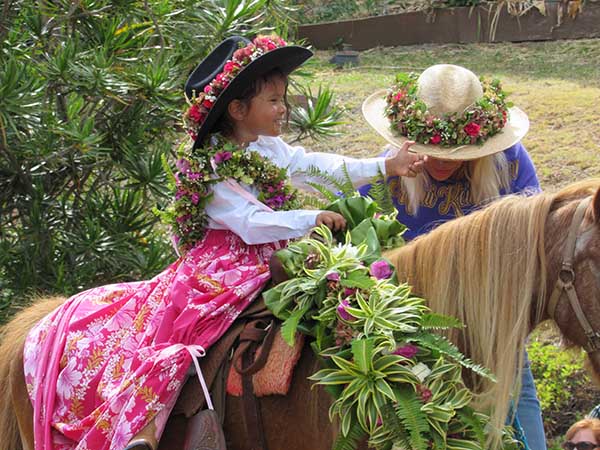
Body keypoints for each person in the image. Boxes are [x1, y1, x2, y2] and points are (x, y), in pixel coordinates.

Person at [22, 35, 426, 450]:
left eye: (282, 98)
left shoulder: (266, 147)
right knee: (189, 339)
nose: (283, 108)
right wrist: (310, 217)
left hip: (275, 254)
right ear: (237, 109)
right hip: (220, 268)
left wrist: (385, 165)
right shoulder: (209, 167)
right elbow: (249, 222)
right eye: (273, 100)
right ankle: (146, 430)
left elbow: (311, 166)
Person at [360, 64, 546, 449]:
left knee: (523, 423)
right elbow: (364, 246)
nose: (441, 161)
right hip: (417, 333)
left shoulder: (510, 162)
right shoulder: (388, 172)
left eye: (454, 153)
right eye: (431, 151)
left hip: (492, 326)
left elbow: (534, 243)